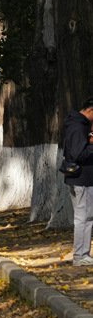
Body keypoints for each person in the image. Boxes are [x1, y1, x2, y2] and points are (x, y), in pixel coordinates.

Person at [63, 97, 93, 265]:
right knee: (84, 218)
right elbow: (77, 154)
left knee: (85, 217)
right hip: (83, 180)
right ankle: (80, 256)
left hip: (80, 179)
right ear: (90, 110)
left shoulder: (78, 125)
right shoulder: (77, 127)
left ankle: (82, 255)